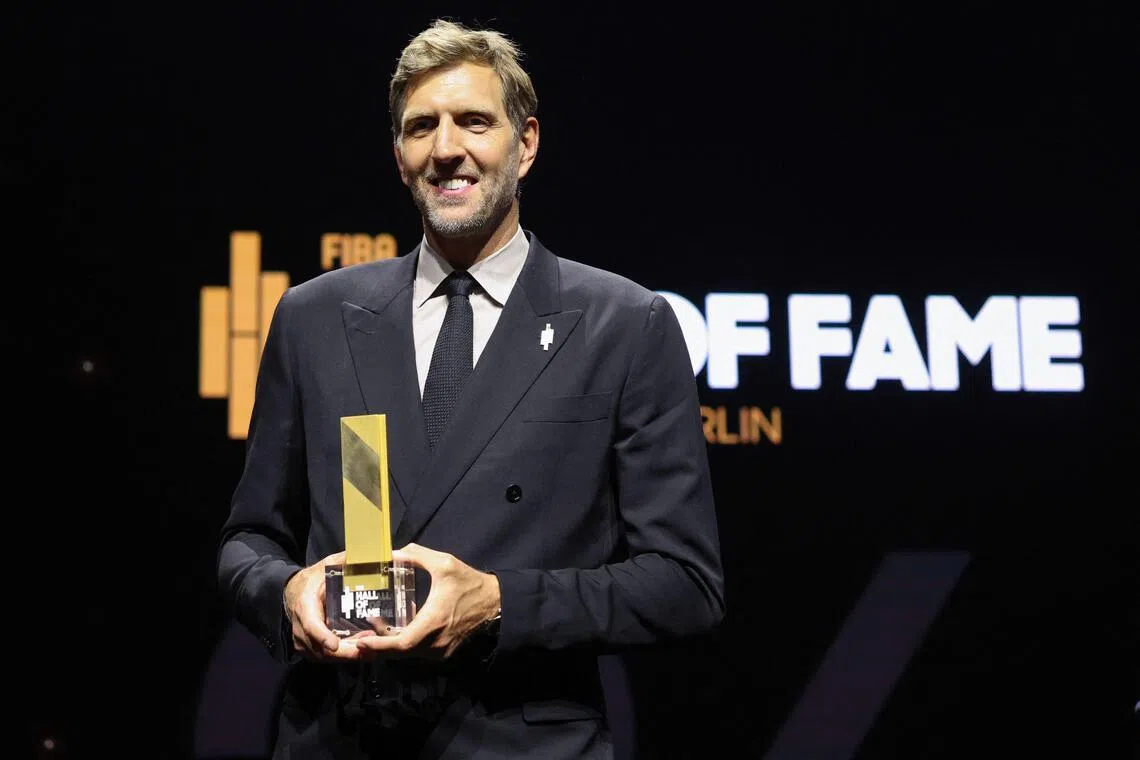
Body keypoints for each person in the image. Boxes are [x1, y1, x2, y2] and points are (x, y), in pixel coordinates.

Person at [217, 18, 724, 760]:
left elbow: (684, 584)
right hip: (339, 737)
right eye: (421, 127)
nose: (446, 148)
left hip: (521, 741)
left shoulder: (625, 324)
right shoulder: (315, 317)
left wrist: (500, 603)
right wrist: (285, 594)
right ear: (398, 156)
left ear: (525, 144)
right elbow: (248, 541)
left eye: (474, 121)